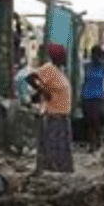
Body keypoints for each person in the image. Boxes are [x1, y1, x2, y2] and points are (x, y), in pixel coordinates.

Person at [27, 43, 73, 172]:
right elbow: (30, 78)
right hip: (54, 117)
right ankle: (52, 172)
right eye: (63, 55)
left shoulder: (59, 71)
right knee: (53, 150)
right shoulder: (49, 69)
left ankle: (60, 172)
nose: (65, 58)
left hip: (62, 117)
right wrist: (43, 92)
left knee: (61, 151)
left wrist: (45, 91)